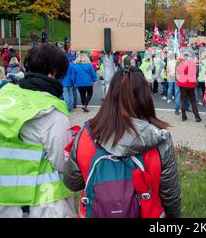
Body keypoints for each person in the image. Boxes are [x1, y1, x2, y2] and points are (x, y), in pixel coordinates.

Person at [62, 67, 181, 218]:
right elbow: (170, 195)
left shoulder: (85, 135)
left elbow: (72, 182)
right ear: (144, 97)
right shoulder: (160, 140)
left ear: (111, 95)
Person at [0, 44, 75, 218]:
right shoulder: (51, 111)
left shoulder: (8, 97)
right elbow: (63, 163)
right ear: (54, 71)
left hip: (1, 200)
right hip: (42, 204)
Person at [176, 54, 202, 122]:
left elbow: (178, 72)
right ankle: (197, 116)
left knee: (183, 100)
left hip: (182, 84)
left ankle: (183, 116)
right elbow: (196, 74)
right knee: (193, 101)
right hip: (191, 84)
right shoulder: (193, 65)